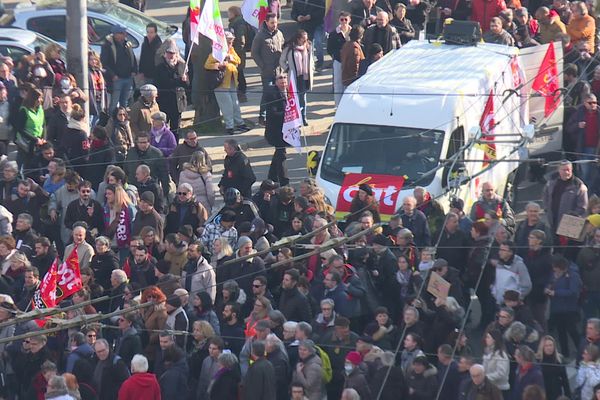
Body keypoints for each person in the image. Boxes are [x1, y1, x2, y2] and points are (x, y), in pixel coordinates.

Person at [205, 31, 248, 135]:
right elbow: (207, 65)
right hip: (221, 83)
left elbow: (238, 60)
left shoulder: (231, 50)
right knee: (227, 105)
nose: (230, 44)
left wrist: (230, 58)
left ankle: (239, 123)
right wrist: (219, 65)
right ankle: (230, 126)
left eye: (231, 41)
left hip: (232, 82)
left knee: (235, 104)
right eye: (228, 42)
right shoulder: (216, 51)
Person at [251, 13, 285, 126]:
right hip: (267, 72)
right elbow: (254, 53)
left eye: (275, 22)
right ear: (266, 22)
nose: (274, 25)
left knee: (279, 94)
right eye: (272, 23)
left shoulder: (279, 34)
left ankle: (278, 115)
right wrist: (262, 65)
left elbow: (283, 46)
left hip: (279, 71)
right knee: (267, 93)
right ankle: (262, 116)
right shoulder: (260, 36)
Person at [263, 72, 292, 186]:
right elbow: (273, 113)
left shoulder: (290, 91)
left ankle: (271, 178)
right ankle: (285, 183)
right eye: (280, 78)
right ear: (275, 81)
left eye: (285, 77)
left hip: (285, 131)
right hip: (275, 132)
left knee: (278, 155)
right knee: (281, 155)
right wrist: (288, 114)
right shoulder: (272, 94)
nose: (283, 80)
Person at [280, 30, 314, 126]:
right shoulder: (290, 48)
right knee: (294, 98)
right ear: (298, 39)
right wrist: (288, 69)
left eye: (306, 39)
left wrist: (311, 68)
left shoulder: (308, 47)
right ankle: (296, 118)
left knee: (303, 98)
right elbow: (282, 61)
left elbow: (311, 60)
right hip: (294, 76)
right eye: (303, 39)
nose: (305, 41)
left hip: (305, 76)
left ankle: (303, 117)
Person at [101, 25, 137, 111]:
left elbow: (133, 58)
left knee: (125, 102)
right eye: (121, 33)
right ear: (115, 34)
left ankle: (123, 120)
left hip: (128, 77)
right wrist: (113, 75)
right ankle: (112, 121)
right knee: (114, 103)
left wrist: (134, 70)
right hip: (117, 79)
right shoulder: (107, 45)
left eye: (124, 33)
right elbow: (104, 63)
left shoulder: (127, 44)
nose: (124, 35)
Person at [155, 42, 188, 132]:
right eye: (169, 53)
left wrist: (184, 80)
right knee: (163, 127)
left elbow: (187, 85)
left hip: (178, 102)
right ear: (165, 54)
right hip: (165, 101)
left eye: (173, 54)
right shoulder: (160, 68)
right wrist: (179, 80)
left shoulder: (182, 67)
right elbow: (165, 82)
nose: (171, 56)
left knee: (176, 128)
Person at [14, 87, 45, 166]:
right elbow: (20, 129)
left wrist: (43, 138)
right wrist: (35, 139)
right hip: (26, 143)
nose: (40, 100)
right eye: (38, 98)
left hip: (38, 142)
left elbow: (43, 125)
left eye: (41, 98)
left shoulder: (40, 109)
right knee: (25, 164)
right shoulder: (24, 110)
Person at [179, 150, 215, 214]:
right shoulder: (206, 174)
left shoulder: (183, 174)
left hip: (188, 205)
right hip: (204, 205)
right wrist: (210, 205)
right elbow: (211, 194)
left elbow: (180, 190)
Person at [536, 335, 571, 399]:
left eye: (551, 345)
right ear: (542, 347)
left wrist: (568, 396)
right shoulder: (537, 361)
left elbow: (565, 380)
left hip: (556, 393)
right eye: (546, 346)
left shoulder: (559, 360)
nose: (549, 348)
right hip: (543, 394)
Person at [228, 6, 249, 102]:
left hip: (238, 52)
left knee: (239, 72)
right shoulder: (234, 22)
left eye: (229, 12)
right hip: (236, 50)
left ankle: (242, 92)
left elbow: (241, 39)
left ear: (234, 13)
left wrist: (237, 50)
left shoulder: (239, 24)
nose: (228, 15)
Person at [340, 25, 365, 89]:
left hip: (346, 76)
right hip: (352, 80)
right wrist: (356, 78)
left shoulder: (347, 44)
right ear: (361, 36)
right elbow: (355, 65)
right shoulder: (355, 48)